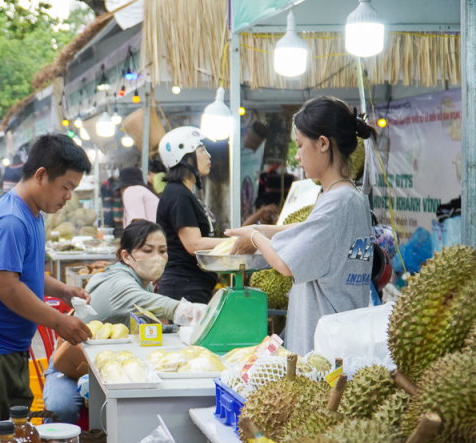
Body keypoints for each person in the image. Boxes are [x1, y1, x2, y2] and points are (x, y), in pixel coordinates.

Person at [0, 134, 93, 427]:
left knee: (7, 439)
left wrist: (61, 289)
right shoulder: (11, 220)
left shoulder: (32, 213)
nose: (68, 197)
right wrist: (58, 322)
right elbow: (5, 286)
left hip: (6, 348)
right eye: (66, 187)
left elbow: (25, 272)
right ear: (41, 175)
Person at [226, 96, 376, 355]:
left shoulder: (336, 203)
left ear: (322, 143)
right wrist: (262, 230)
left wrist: (254, 237)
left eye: (299, 145)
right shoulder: (351, 198)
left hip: (323, 353)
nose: (296, 156)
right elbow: (312, 232)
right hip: (340, 343)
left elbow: (284, 265)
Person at [43, 221, 207, 423]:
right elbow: (161, 304)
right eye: (148, 250)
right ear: (126, 256)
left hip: (102, 362)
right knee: (62, 410)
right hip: (68, 363)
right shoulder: (120, 285)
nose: (157, 257)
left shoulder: (140, 281)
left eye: (162, 251)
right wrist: (195, 311)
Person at [156, 126, 224, 304]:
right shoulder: (179, 195)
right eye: (202, 150)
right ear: (186, 158)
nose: (208, 155)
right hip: (184, 286)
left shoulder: (184, 193)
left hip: (190, 284)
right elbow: (193, 244)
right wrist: (234, 242)